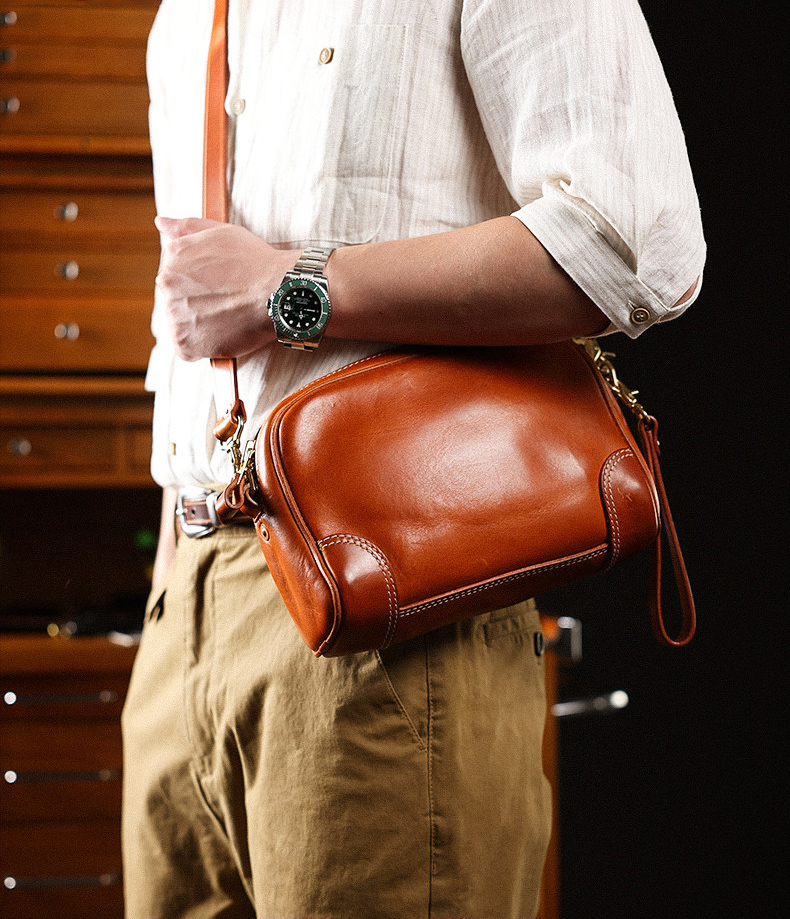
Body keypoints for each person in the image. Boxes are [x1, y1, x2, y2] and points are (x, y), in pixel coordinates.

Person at [121, 1, 705, 917]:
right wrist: (171, 591)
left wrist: (289, 289)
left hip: (391, 618)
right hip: (183, 619)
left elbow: (634, 239)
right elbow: (196, 316)